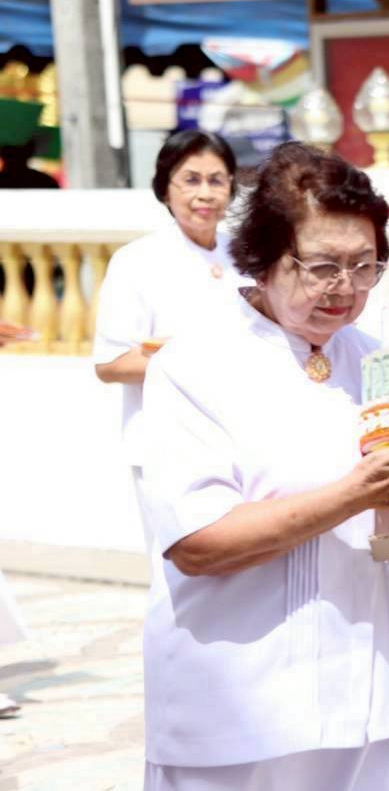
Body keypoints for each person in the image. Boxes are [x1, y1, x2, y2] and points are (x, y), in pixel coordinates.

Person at [138, 142, 389, 789]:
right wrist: (355, 492)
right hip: (241, 700)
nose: (344, 289)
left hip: (370, 694)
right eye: (322, 266)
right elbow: (198, 544)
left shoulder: (383, 365)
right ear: (264, 258)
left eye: (364, 266)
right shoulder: (195, 366)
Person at [93, 130, 248, 551]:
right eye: (191, 180)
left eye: (217, 180)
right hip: (167, 443)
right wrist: (201, 362)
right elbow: (111, 364)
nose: (205, 193)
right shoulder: (137, 261)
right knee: (180, 569)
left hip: (243, 438)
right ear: (165, 189)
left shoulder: (246, 255)